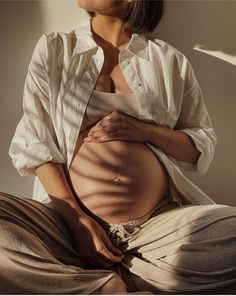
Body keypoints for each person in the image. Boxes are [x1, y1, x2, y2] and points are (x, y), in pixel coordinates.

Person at [1, 0, 235, 294]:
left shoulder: (168, 61)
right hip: (64, 227)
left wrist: (144, 131)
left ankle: (121, 277)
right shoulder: (55, 48)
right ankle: (103, 287)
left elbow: (200, 146)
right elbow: (37, 141)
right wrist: (78, 220)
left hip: (156, 230)